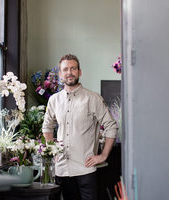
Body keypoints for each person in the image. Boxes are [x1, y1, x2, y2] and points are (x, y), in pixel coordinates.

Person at [42, 54, 118, 200]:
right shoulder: (54, 100)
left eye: (73, 68)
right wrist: (52, 149)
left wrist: (103, 155)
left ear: (79, 72)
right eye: (65, 69)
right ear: (60, 74)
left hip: (86, 170)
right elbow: (47, 127)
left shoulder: (92, 98)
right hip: (62, 170)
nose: (69, 72)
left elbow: (111, 126)